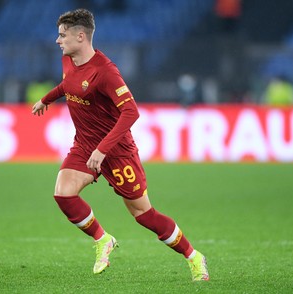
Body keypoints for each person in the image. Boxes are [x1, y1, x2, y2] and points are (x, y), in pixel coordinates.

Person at [31, 8, 209, 281]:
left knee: (144, 215)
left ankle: (193, 256)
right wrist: (47, 98)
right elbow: (69, 85)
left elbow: (131, 111)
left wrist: (102, 150)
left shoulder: (105, 71)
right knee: (63, 193)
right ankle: (103, 240)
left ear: (81, 36)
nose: (58, 41)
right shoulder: (68, 59)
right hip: (85, 145)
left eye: (62, 35)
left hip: (116, 151)